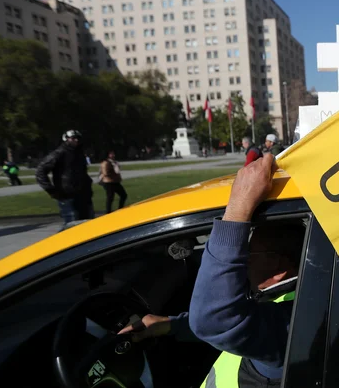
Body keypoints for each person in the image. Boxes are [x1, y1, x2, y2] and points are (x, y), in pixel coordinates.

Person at [120, 154, 302, 386]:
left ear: (278, 270)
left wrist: (238, 210)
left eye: (248, 250)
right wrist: (170, 325)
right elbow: (242, 323)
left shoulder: (293, 323)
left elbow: (215, 321)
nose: (243, 257)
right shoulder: (291, 302)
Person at [36, 130, 95, 226]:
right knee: (73, 225)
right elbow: (40, 171)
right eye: (73, 138)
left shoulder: (79, 153)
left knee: (89, 224)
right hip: (67, 195)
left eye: (78, 138)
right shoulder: (59, 153)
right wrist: (51, 190)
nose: (76, 140)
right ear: (66, 139)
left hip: (84, 194)